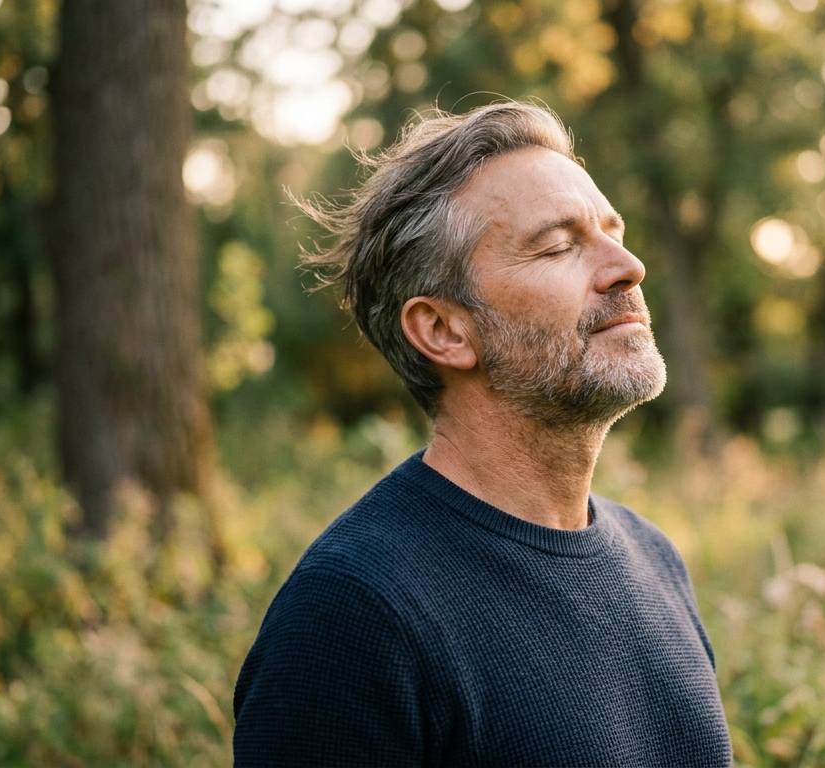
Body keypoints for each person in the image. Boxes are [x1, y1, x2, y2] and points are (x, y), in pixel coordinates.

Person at [232, 101, 732, 767]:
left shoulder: (654, 558)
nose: (628, 266)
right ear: (444, 331)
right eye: (558, 246)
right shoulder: (352, 614)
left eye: (615, 232)